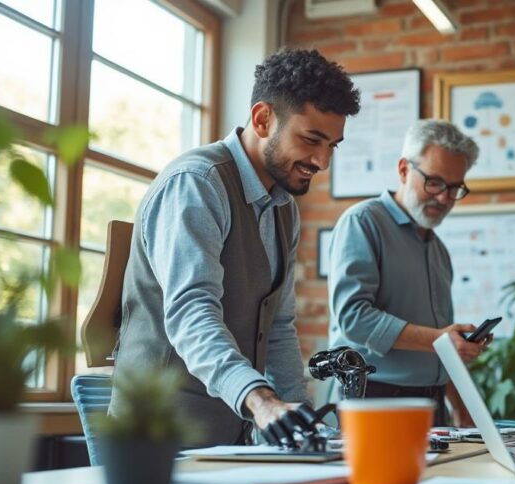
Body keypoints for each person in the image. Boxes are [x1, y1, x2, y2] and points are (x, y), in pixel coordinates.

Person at [113, 49, 360, 447]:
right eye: (311, 139)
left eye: (333, 145)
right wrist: (261, 402)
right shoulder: (196, 183)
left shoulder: (283, 208)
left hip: (228, 435)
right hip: (159, 437)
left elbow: (277, 327)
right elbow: (192, 313)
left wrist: (302, 422)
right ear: (263, 119)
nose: (322, 161)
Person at [327, 119, 486, 427]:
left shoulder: (437, 248)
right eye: (435, 182)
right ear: (403, 170)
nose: (444, 198)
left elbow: (439, 346)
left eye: (455, 188)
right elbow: (354, 319)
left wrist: (463, 409)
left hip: (432, 406)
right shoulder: (362, 223)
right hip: (373, 402)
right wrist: (440, 339)